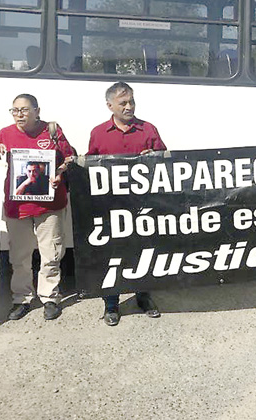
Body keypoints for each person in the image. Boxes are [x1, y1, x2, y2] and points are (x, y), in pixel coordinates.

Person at [0, 94, 77, 321]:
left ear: (37, 111)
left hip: (50, 206)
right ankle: (22, 299)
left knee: (51, 254)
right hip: (17, 207)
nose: (19, 114)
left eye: (24, 110)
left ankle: (50, 297)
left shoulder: (52, 131)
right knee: (19, 257)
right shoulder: (4, 134)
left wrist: (59, 173)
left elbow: (69, 159)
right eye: (15, 110)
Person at [88, 81, 165, 326]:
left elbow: (166, 161)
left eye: (132, 101)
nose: (129, 106)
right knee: (112, 254)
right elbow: (89, 167)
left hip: (143, 206)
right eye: (123, 103)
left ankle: (143, 297)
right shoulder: (98, 133)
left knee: (144, 252)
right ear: (109, 105)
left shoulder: (148, 129)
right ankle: (111, 304)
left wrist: (155, 158)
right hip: (111, 207)